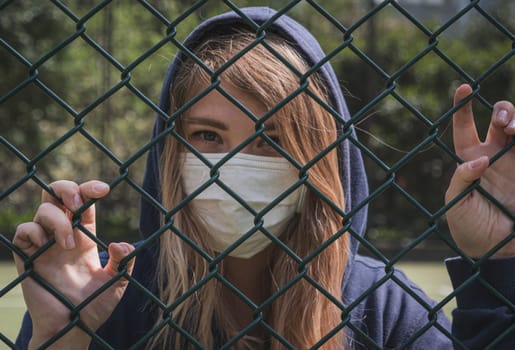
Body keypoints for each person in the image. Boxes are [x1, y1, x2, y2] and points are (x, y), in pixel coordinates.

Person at [12, 6, 515, 350]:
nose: (236, 165)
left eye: (272, 139)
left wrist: (499, 266)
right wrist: (64, 339)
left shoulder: (381, 307)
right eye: (208, 135)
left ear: (319, 159)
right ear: (171, 152)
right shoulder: (107, 295)